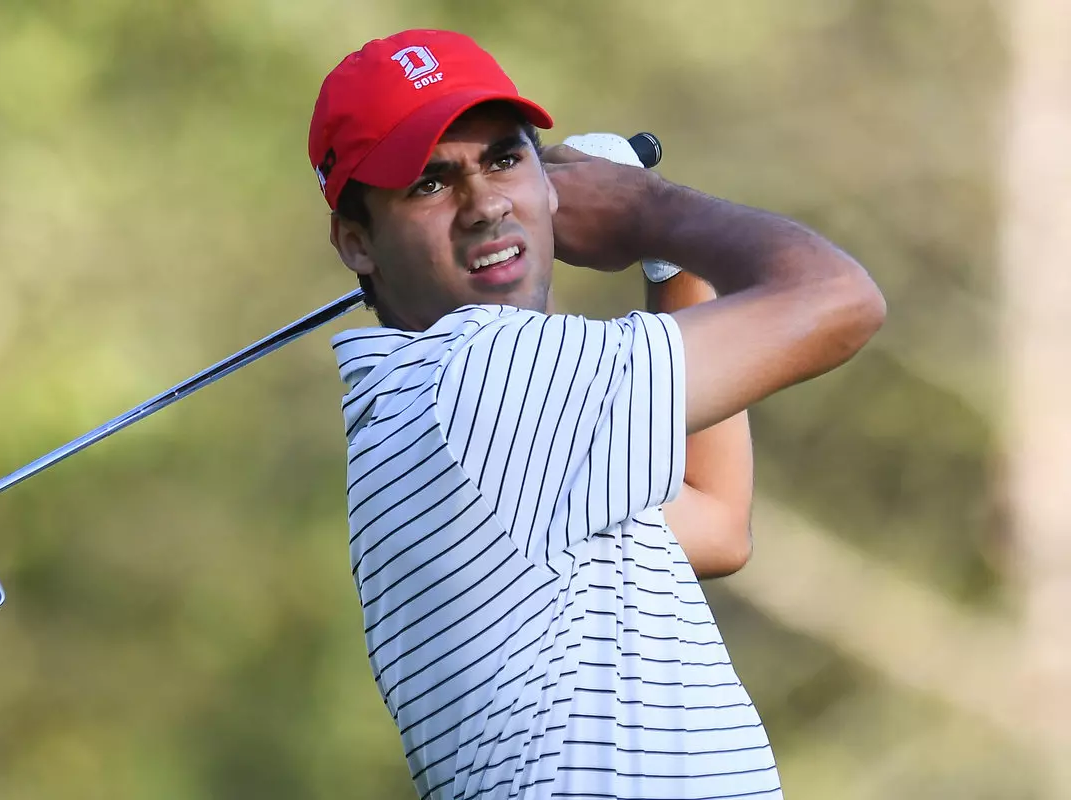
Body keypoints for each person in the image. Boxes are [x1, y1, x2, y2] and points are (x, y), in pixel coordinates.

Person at [309, 29, 885, 800]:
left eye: (506, 158)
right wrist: (647, 208)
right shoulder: (479, 377)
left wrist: (667, 262)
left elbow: (715, 523)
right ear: (357, 242)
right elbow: (840, 301)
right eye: (429, 184)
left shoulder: (427, 415)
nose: (485, 206)